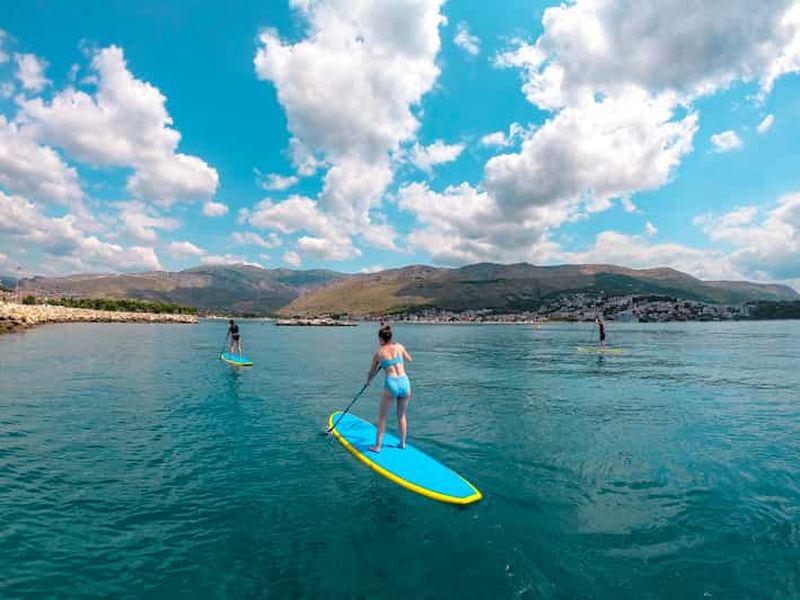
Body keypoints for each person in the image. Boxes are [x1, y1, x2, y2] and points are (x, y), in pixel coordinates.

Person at [365, 324, 412, 453]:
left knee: (383, 417)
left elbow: (371, 372)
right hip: (404, 382)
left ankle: (378, 446)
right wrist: (399, 352)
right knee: (401, 415)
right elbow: (409, 359)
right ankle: (402, 443)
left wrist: (367, 382)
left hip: (391, 383)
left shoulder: (379, 354)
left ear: (381, 339)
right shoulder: (399, 347)